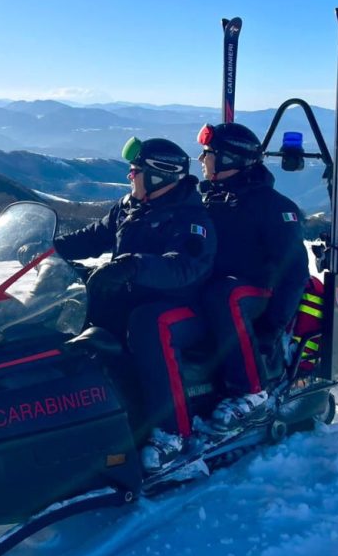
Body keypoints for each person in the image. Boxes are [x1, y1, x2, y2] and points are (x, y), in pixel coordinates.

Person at [52, 137, 216, 472]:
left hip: (182, 307)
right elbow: (93, 236)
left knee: (149, 324)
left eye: (136, 171)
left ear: (159, 175)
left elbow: (183, 266)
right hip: (134, 298)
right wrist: (49, 249)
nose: (130, 176)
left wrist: (133, 266)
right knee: (76, 310)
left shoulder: (190, 220)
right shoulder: (130, 207)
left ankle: (173, 434)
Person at [196, 122, 309, 432]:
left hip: (257, 291)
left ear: (230, 159)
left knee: (223, 295)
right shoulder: (208, 199)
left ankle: (251, 391)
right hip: (216, 287)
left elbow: (295, 272)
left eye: (209, 153)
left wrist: (272, 328)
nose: (202, 159)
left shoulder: (273, 207)